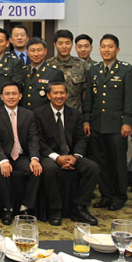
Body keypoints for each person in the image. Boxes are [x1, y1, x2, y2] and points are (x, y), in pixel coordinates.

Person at [35, 82, 99, 226]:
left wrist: (75, 157)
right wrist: (57, 158)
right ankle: (55, 209)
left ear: (67, 95)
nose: (59, 96)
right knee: (50, 169)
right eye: (55, 93)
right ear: (48, 95)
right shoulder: (39, 114)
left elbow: (82, 139)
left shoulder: (74, 114)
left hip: (72, 155)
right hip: (49, 156)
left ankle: (80, 207)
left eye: (62, 93)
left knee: (92, 167)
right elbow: (38, 140)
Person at [83, 34, 132, 211]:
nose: (106, 50)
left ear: (117, 50)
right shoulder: (94, 70)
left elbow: (130, 99)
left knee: (118, 163)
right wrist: (86, 120)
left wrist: (127, 122)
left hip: (117, 126)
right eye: (103, 47)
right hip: (97, 124)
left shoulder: (127, 70)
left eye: (110, 47)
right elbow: (89, 98)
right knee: (101, 163)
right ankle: (106, 196)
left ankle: (119, 197)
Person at [0, 81, 42, 225]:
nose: (11, 97)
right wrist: (3, 160)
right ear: (1, 97)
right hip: (3, 156)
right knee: (2, 171)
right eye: (7, 94)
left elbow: (33, 138)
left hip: (22, 156)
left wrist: (34, 158)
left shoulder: (28, 114)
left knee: (36, 170)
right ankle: (7, 209)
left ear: (20, 96)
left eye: (14, 94)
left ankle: (25, 208)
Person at [47, 29, 88, 111]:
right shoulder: (48, 65)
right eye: (60, 43)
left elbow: (86, 94)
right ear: (55, 44)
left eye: (67, 43)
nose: (64, 46)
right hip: (52, 114)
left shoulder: (82, 65)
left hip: (75, 114)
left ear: (72, 44)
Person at [21, 37, 65, 110]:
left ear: (45, 51)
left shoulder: (55, 73)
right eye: (32, 50)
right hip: (25, 117)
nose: (36, 54)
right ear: (27, 52)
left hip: (45, 117)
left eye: (39, 50)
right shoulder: (23, 71)